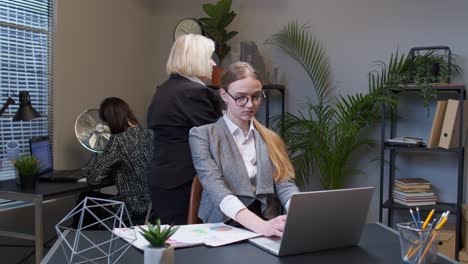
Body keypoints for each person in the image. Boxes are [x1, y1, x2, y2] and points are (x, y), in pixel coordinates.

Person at [189, 62, 299, 237]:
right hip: (222, 226)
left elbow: (284, 184)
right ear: (224, 95)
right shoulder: (203, 135)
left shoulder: (271, 138)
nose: (250, 105)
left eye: (256, 96)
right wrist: (260, 226)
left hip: (267, 223)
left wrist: (300, 212)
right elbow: (216, 189)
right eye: (241, 97)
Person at [147, 34, 222, 225]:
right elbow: (217, 138)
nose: (213, 64)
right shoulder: (194, 92)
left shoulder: (164, 89)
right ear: (195, 59)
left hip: (164, 179)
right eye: (209, 57)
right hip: (185, 183)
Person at [83, 97, 153, 225]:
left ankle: (81, 243)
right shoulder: (149, 133)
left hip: (133, 207)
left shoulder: (119, 140)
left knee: (85, 199)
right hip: (153, 206)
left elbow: (93, 178)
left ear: (110, 121)